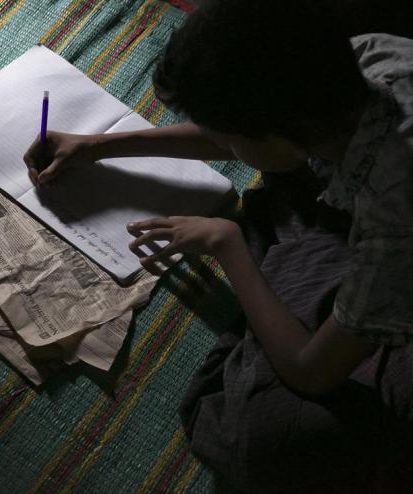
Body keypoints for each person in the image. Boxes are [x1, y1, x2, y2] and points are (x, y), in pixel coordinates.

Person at [23, 0, 413, 490]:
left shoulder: (396, 229)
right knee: (295, 202)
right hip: (365, 200)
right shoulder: (370, 60)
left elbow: (312, 372)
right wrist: (97, 146)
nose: (221, 144)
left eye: (226, 135)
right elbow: (253, 142)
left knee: (268, 431)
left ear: (270, 133)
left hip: (394, 251)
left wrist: (229, 244)